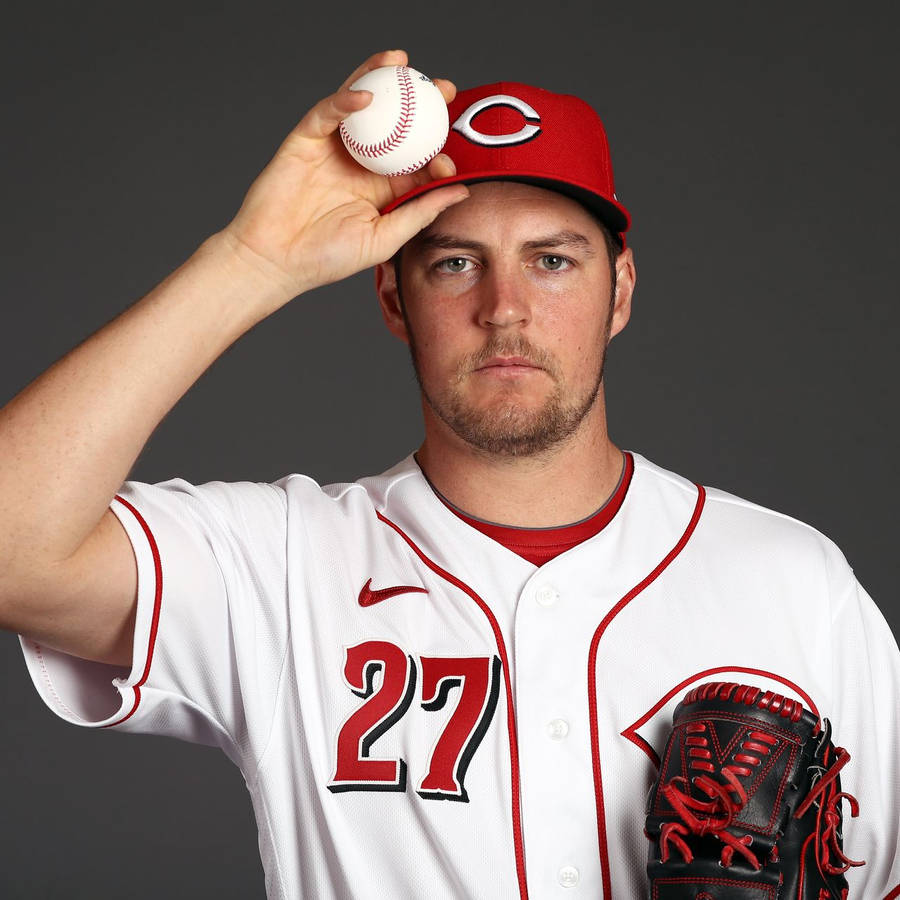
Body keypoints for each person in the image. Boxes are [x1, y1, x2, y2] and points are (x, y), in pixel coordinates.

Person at [0, 49, 897, 899]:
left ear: (620, 290)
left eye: (552, 261)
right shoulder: (280, 567)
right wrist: (251, 262)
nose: (505, 309)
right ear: (394, 297)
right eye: (456, 263)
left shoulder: (790, 581)